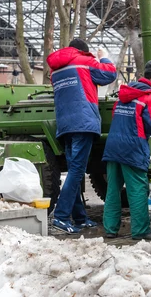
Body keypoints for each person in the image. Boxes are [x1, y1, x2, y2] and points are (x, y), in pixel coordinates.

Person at [46, 39, 117, 234]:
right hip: (83, 122)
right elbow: (109, 74)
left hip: (66, 124)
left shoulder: (57, 69)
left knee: (74, 171)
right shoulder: (84, 61)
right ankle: (61, 217)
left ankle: (79, 217)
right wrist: (104, 57)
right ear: (83, 51)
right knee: (77, 171)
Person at [102, 61, 151, 241]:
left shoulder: (125, 95)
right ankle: (140, 230)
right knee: (138, 188)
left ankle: (110, 229)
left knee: (113, 189)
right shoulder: (150, 97)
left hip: (113, 146)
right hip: (133, 148)